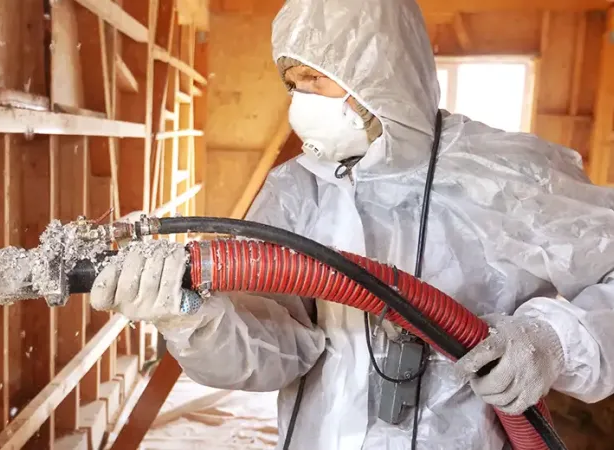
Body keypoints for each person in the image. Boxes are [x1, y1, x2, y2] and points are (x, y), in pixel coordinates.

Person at [88, 0, 614, 448]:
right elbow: (277, 347)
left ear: (380, 72)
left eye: (315, 80)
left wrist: (551, 339)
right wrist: (193, 318)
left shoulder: (507, 176)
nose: (300, 102)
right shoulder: (298, 190)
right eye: (292, 84)